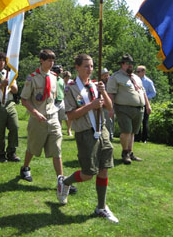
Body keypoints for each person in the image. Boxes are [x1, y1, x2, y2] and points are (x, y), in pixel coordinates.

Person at [59, 53, 118, 223]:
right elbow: (70, 115)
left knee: (104, 168)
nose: (90, 69)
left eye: (92, 66)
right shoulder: (71, 88)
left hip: (102, 130)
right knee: (88, 174)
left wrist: (103, 92)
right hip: (85, 133)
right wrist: (90, 106)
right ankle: (66, 182)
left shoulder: (95, 85)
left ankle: (101, 207)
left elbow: (109, 106)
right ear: (77, 67)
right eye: (86, 66)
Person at [20, 49, 74, 187]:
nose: (52, 63)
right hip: (37, 118)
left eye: (53, 60)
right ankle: (25, 168)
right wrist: (36, 113)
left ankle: (61, 181)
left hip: (53, 117)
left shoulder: (55, 77)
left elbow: (56, 97)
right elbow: (24, 100)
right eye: (49, 60)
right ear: (41, 61)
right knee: (33, 147)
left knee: (57, 149)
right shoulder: (32, 78)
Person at [107, 54, 151, 165]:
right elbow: (111, 94)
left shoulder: (136, 77)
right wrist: (110, 108)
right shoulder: (115, 77)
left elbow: (143, 91)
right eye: (127, 64)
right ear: (122, 64)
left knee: (132, 132)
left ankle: (130, 152)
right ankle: (125, 153)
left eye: (131, 64)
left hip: (139, 109)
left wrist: (148, 105)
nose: (130, 66)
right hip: (123, 108)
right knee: (126, 131)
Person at [135, 65, 156, 143]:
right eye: (136, 71)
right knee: (137, 120)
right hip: (136, 102)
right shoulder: (135, 80)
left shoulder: (148, 81)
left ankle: (145, 138)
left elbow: (153, 93)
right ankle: (137, 137)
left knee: (145, 121)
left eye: (138, 71)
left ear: (143, 72)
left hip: (145, 103)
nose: (137, 73)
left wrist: (146, 98)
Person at [52, 65, 72, 136]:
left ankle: (65, 131)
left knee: (64, 117)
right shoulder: (51, 78)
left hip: (61, 101)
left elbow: (64, 90)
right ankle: (57, 132)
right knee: (56, 119)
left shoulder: (61, 80)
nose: (61, 72)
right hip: (53, 102)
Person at [101, 68, 114, 141]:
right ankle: (107, 136)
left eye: (107, 75)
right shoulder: (100, 84)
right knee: (106, 121)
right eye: (105, 75)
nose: (107, 77)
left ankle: (111, 135)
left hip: (111, 105)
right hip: (104, 105)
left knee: (110, 121)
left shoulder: (111, 83)